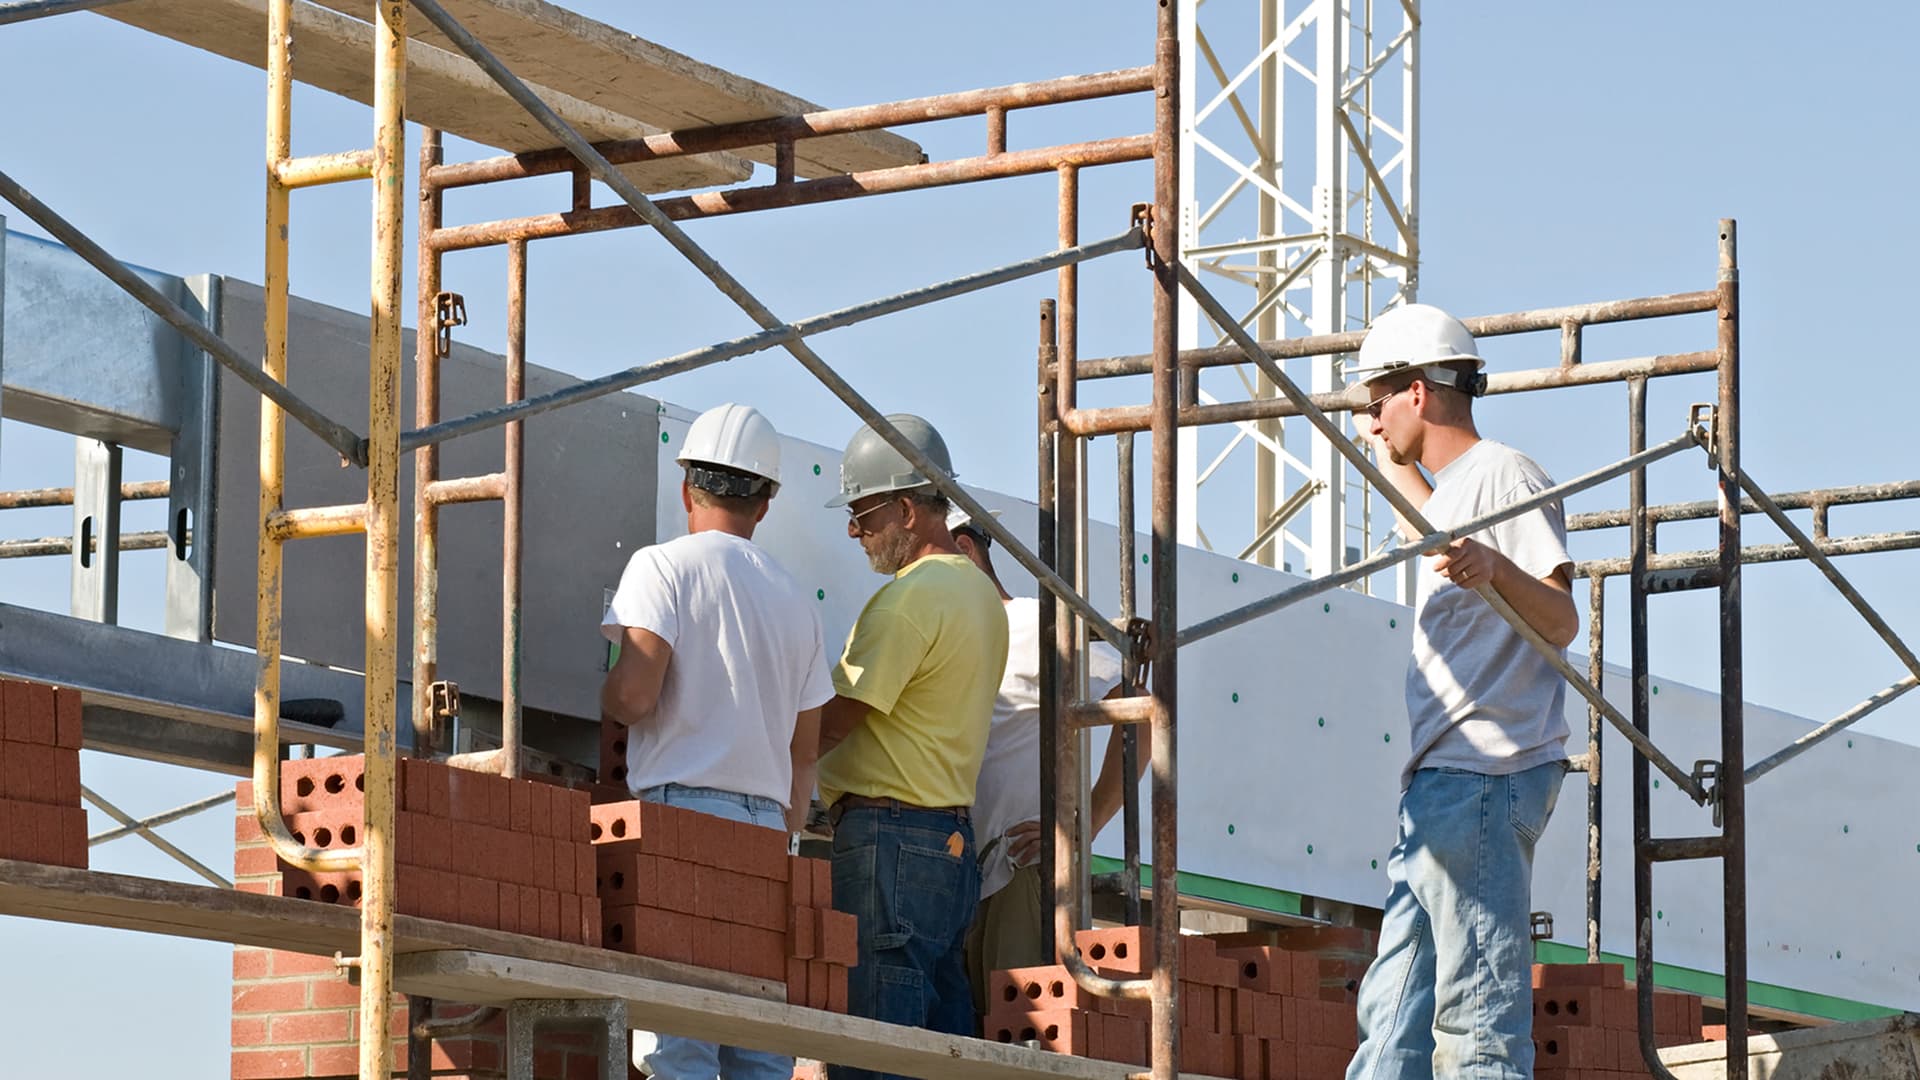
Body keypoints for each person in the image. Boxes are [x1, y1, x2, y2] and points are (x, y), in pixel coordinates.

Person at [1341, 304, 1578, 1080]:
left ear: (1417, 392)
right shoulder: (1453, 492)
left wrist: (1497, 568)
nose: (1372, 420)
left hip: (1485, 771)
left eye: (1378, 403)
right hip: (1445, 782)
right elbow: (1429, 518)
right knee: (1392, 1020)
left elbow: (1561, 617)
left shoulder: (1505, 474)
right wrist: (1382, 452)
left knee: (1475, 1023)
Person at [601, 403, 832, 1080]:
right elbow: (805, 751)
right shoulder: (795, 601)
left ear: (686, 491)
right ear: (765, 503)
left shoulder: (662, 567)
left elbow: (636, 696)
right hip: (766, 831)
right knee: (759, 1042)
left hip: (681, 818)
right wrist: (783, 841)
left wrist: (608, 691)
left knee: (683, 1040)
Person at [815, 414, 1008, 1079]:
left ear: (905, 508)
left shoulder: (909, 599)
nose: (855, 533)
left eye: (863, 516)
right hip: (948, 844)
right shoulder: (978, 596)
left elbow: (843, 716)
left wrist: (757, 746)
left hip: (890, 840)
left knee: (875, 1043)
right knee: (940, 1043)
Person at [946, 506, 1148, 1022]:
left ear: (967, 551)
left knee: (1025, 1035)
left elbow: (1138, 710)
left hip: (1024, 871)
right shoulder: (955, 638)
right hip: (975, 876)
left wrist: (1081, 831)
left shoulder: (1029, 625)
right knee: (986, 1037)